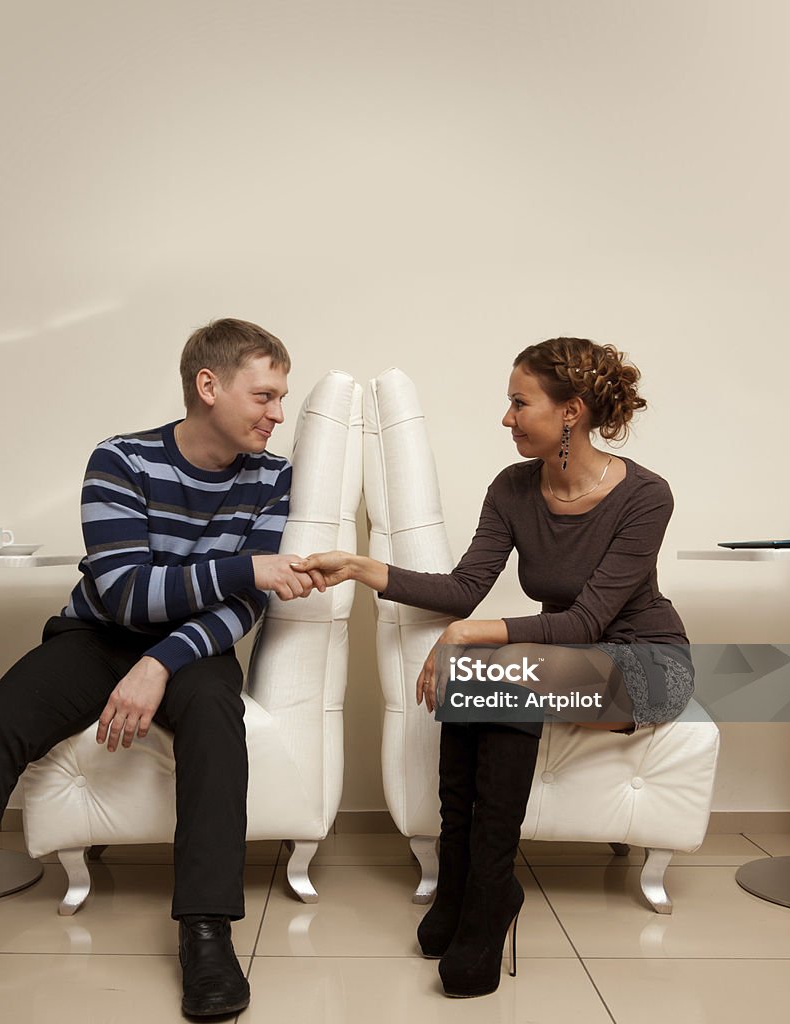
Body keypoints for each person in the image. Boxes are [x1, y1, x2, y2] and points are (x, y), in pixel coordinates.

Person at [0, 318, 314, 1023]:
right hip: (95, 634)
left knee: (215, 716)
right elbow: (122, 591)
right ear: (209, 386)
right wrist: (245, 567)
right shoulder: (120, 460)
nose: (278, 414)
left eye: (283, 398)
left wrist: (161, 660)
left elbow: (243, 608)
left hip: (194, 645)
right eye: (266, 396)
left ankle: (206, 935)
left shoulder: (273, 478)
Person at [296, 337, 693, 998]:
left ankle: (482, 905)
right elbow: (463, 588)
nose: (506, 418)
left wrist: (466, 634)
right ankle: (465, 888)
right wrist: (364, 567)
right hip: (572, 661)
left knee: (493, 674)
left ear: (571, 412)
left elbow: (586, 621)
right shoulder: (513, 488)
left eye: (519, 402)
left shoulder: (645, 495)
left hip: (649, 666)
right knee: (482, 679)